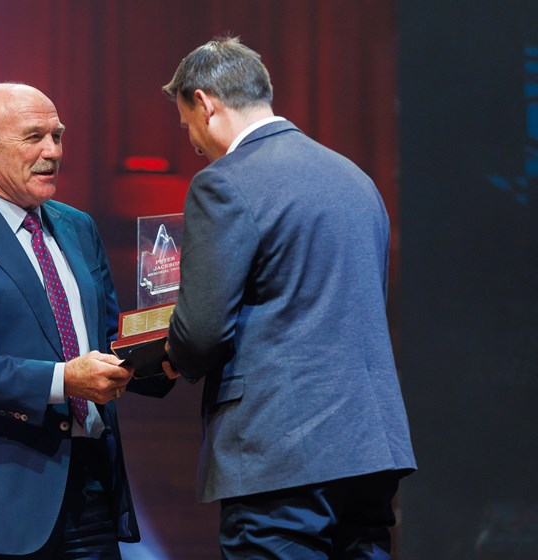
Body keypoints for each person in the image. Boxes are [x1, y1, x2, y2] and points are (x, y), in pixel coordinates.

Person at [160, 36, 417, 559]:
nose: (192, 142)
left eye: (187, 122)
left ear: (206, 103)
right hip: (369, 448)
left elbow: (203, 331)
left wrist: (165, 359)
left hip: (278, 452)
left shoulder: (225, 183)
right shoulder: (356, 178)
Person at [0, 82, 172, 560]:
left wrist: (164, 355)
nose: (52, 151)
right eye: (34, 137)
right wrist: (64, 380)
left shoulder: (77, 225)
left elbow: (104, 338)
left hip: (88, 488)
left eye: (58, 137)